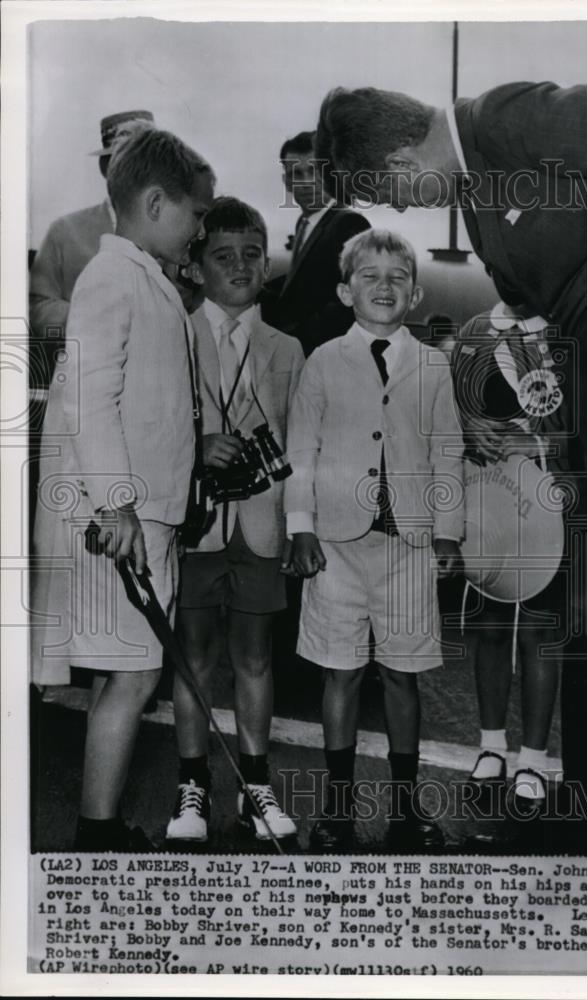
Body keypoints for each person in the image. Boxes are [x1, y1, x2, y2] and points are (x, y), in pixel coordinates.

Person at [316, 82, 587, 855]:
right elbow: (534, 305)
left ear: (399, 159)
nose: (402, 205)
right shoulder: (478, 194)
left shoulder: (508, 119)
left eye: (387, 191)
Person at [30, 128, 215, 851]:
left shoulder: (144, 275)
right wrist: (117, 503)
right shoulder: (113, 277)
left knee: (127, 678)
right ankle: (95, 832)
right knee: (134, 680)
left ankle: (97, 826)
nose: (201, 229)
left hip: (143, 515)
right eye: (197, 216)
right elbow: (89, 397)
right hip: (122, 520)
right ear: (156, 201)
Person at [284, 229, 464, 852]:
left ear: (414, 294)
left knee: (402, 675)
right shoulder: (323, 361)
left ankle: (406, 810)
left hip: (409, 545)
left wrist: (447, 531)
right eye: (369, 275)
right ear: (344, 290)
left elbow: (447, 452)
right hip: (335, 545)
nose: (383, 286)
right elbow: (300, 453)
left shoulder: (434, 364)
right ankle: (336, 810)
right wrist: (299, 527)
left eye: (396, 277)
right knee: (340, 675)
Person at [165, 197, 304, 845]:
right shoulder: (174, 333)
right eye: (224, 257)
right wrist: (198, 447)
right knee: (192, 659)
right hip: (193, 524)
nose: (242, 266)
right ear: (195, 267)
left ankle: (256, 787)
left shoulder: (288, 346)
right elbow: (157, 426)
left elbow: (299, 448)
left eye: (253, 253)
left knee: (255, 658)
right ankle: (192, 787)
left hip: (260, 524)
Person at [451, 304, 568, 826]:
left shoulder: (567, 326)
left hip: (547, 495)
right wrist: (468, 428)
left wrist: (538, 442)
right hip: (489, 492)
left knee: (540, 626)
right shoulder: (475, 332)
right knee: (492, 620)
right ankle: (492, 746)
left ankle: (536, 759)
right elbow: (448, 409)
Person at [29, 110, 155, 370]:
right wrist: (95, 317)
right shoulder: (64, 231)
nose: (136, 175)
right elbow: (37, 309)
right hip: (84, 375)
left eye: (148, 164)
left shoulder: (177, 231)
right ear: (105, 168)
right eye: (124, 163)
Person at [259, 130, 369, 355]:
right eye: (297, 174)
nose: (307, 182)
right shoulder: (305, 223)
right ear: (287, 182)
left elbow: (349, 303)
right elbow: (306, 282)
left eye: (315, 171)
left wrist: (291, 340)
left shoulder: (349, 223)